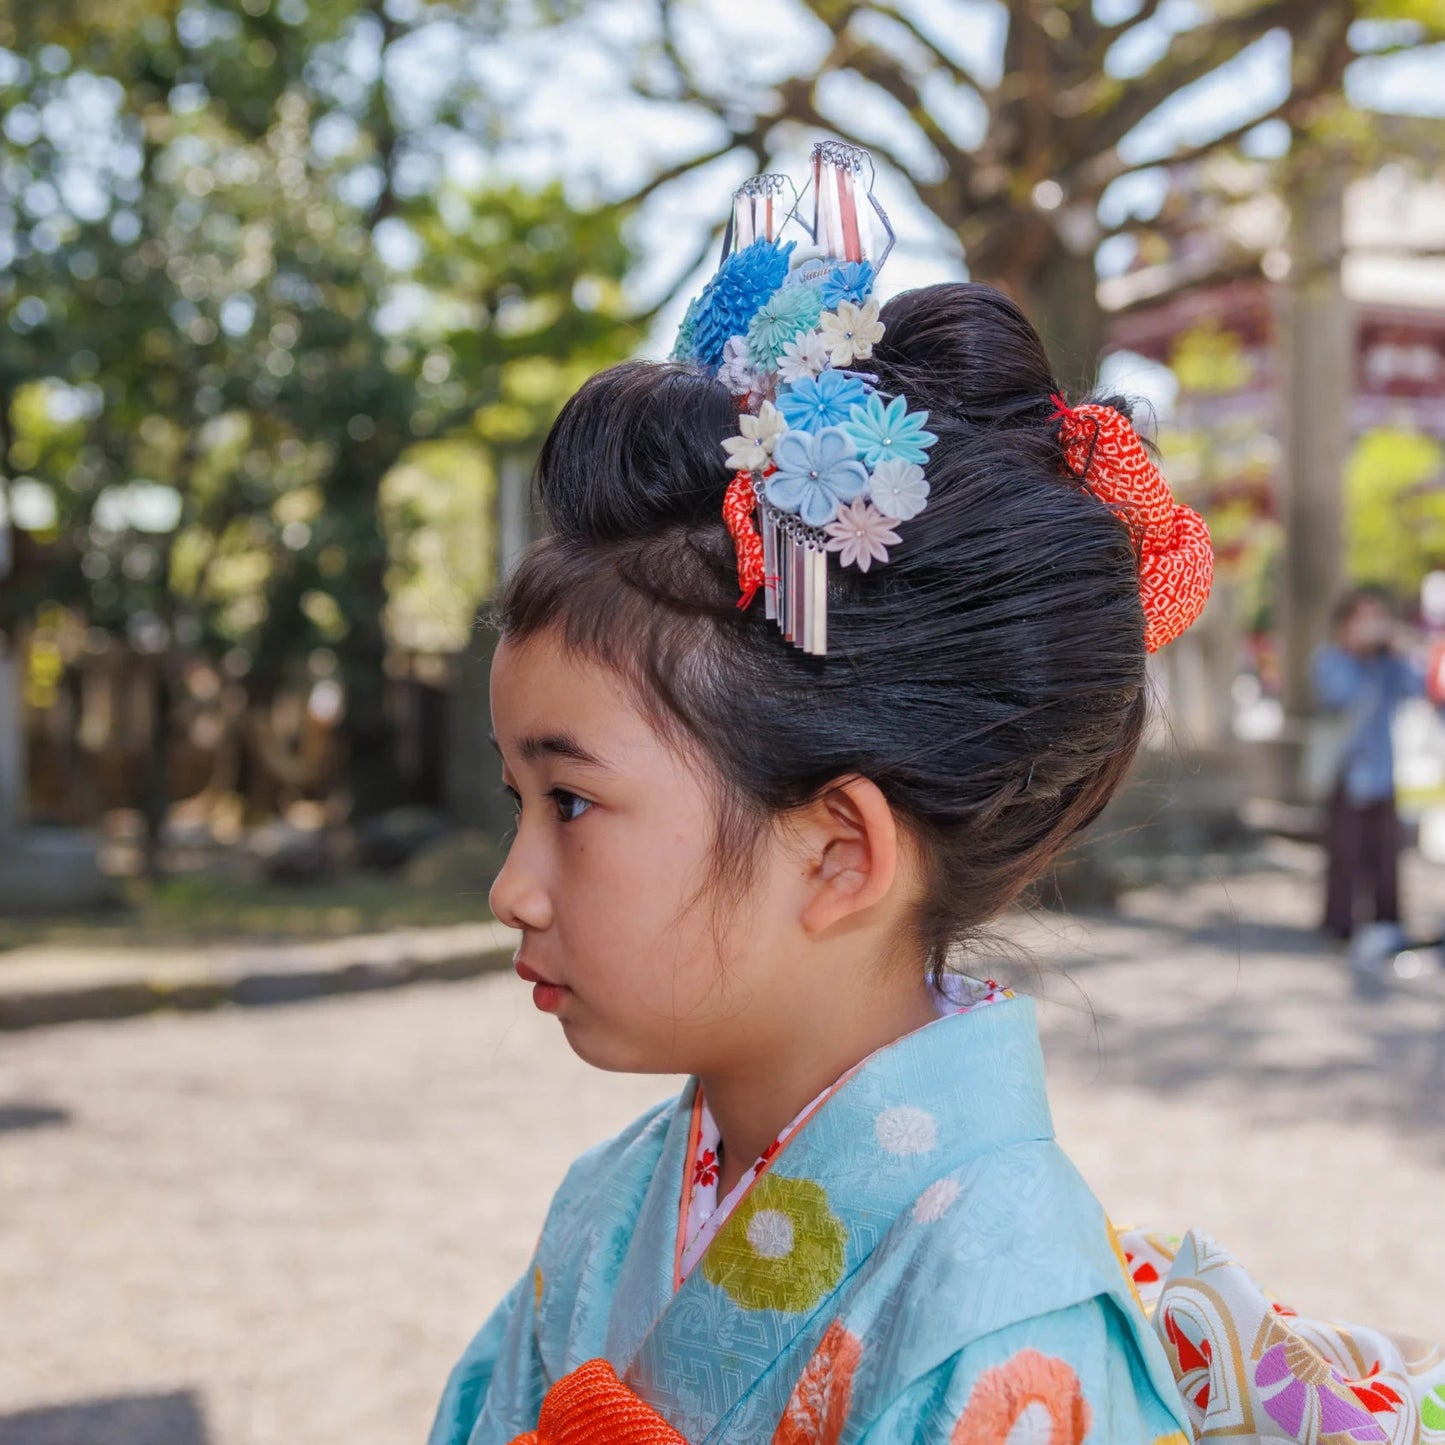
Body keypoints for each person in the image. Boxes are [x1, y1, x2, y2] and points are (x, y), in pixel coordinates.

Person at [429, 153, 1441, 1445]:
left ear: (840, 852)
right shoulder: (608, 1206)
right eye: (520, 798)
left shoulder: (1005, 1312)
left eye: (567, 802)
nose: (511, 885)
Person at [1312, 587, 1426, 941]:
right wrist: (1363, 658)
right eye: (1363, 619)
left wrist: (1400, 651)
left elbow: (1417, 689)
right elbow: (1343, 698)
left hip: (1383, 770)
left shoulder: (1388, 662)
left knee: (1388, 854)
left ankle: (1387, 925)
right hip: (1346, 770)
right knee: (1345, 854)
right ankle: (1341, 928)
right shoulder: (1331, 659)